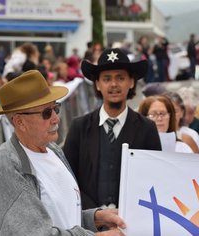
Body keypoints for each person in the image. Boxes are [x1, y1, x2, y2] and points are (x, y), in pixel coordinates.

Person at [0, 70, 126, 236]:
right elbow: (32, 232)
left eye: (55, 108)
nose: (56, 118)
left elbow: (61, 216)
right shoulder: (5, 162)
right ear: (20, 122)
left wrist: (95, 218)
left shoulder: (53, 150)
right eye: (46, 113)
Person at [63, 48, 162, 210]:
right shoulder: (79, 127)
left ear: (131, 82)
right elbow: (68, 179)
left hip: (130, 222)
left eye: (120, 78)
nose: (114, 84)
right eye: (107, 78)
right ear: (97, 84)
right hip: (87, 224)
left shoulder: (147, 128)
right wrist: (95, 215)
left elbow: (154, 179)